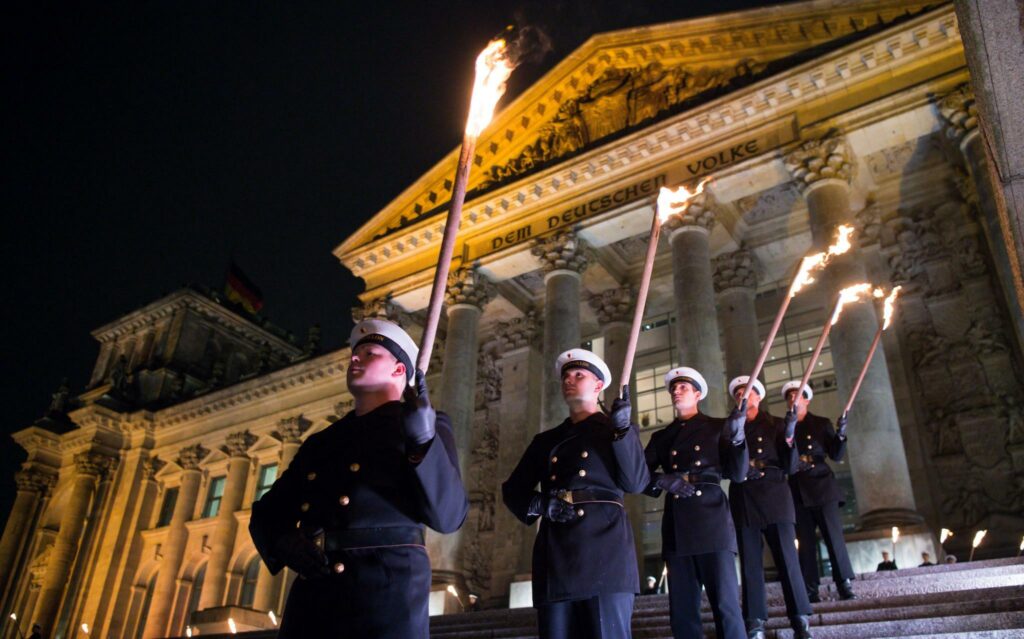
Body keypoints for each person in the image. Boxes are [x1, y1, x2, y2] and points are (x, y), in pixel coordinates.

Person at [249, 319, 469, 638]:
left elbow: (448, 516)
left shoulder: (425, 427)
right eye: (354, 353)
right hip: (313, 603)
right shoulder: (321, 442)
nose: (354, 357)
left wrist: (423, 442)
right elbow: (268, 512)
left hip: (382, 600)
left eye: (370, 353)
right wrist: (284, 541)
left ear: (399, 370)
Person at [503, 348, 650, 639]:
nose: (569, 380)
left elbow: (636, 483)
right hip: (557, 559)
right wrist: (540, 503)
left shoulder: (616, 431)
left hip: (605, 557)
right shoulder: (546, 440)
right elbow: (512, 490)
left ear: (598, 385)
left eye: (579, 375)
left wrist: (623, 430)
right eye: (566, 376)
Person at [643, 367, 747, 639]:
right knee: (683, 612)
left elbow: (737, 474)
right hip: (677, 526)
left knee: (726, 606)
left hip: (712, 521)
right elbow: (637, 477)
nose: (676, 392)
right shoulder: (662, 437)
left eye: (683, 388)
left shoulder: (718, 427)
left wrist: (738, 438)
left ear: (698, 394)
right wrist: (661, 480)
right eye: (673, 388)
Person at [727, 376, 813, 639]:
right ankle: (754, 621)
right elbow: (723, 463)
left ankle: (800, 618)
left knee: (788, 559)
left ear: (759, 396)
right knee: (750, 563)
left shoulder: (776, 424)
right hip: (744, 496)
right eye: (738, 393)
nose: (742, 395)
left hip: (775, 493)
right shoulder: (728, 426)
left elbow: (791, 466)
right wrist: (740, 466)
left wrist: (789, 437)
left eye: (747, 391)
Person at [782, 381, 857, 603]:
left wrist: (840, 434)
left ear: (806, 400)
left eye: (797, 395)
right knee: (805, 543)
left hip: (823, 486)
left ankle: (844, 583)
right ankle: (810, 589)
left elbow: (836, 455)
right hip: (798, 489)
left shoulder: (820, 423)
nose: (793, 399)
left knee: (833, 538)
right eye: (789, 397)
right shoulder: (783, 427)